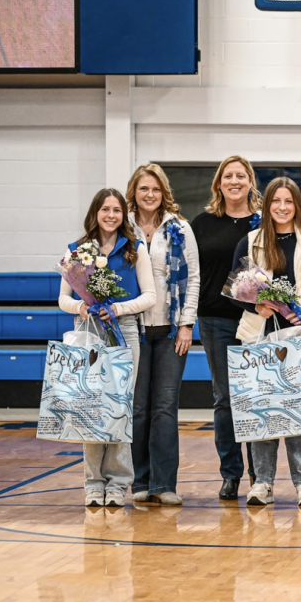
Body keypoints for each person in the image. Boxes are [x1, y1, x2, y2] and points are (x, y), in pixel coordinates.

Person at [232, 178, 301, 508]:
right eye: (276, 201)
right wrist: (256, 307)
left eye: (289, 201)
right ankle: (262, 484)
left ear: (297, 205)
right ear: (267, 206)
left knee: (300, 414)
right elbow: (233, 291)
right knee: (261, 414)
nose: (282, 207)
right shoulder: (250, 242)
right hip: (259, 337)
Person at [59, 189, 157, 507]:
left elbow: (150, 296)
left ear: (123, 215)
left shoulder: (134, 249)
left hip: (124, 331)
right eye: (105, 209)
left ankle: (117, 483)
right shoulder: (77, 251)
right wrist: (81, 308)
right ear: (95, 213)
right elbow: (64, 299)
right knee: (90, 409)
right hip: (88, 330)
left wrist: (119, 309)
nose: (111, 215)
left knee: (118, 408)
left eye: (116, 209)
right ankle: (93, 482)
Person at [126, 164, 201, 507]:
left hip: (170, 331)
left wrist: (186, 324)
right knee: (138, 409)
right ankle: (140, 482)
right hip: (133, 330)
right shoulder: (123, 227)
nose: (150, 194)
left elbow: (194, 278)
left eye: (155, 189)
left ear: (164, 192)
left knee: (165, 409)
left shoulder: (180, 227)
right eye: (144, 189)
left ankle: (164, 484)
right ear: (134, 192)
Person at [191, 155, 260, 500]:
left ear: (250, 182)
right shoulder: (202, 223)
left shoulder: (264, 223)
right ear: (219, 183)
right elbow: (189, 274)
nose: (234, 181)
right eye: (228, 176)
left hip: (256, 319)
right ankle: (231, 473)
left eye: (241, 176)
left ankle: (261, 475)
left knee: (257, 397)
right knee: (225, 399)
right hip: (215, 319)